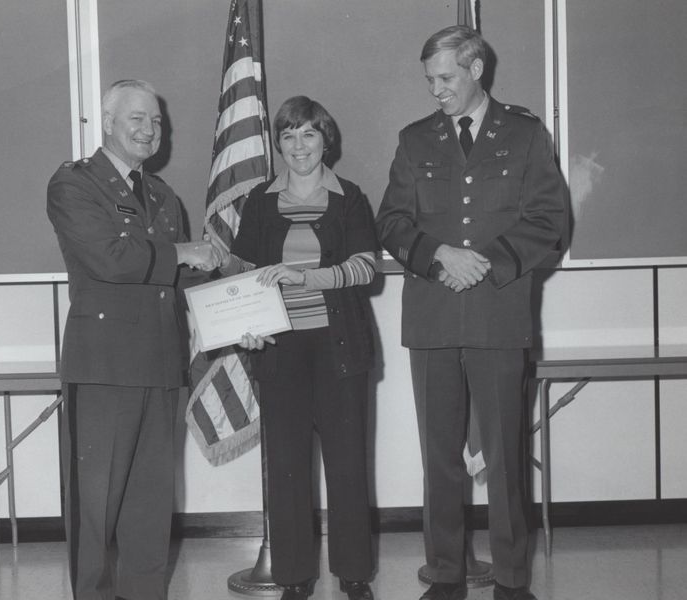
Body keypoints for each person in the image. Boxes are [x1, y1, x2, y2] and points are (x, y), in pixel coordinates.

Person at [376, 26, 567, 600]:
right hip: (433, 320)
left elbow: (549, 221)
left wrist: (483, 263)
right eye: (430, 79)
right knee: (439, 459)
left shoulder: (526, 133)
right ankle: (445, 575)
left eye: (447, 78)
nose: (436, 89)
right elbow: (391, 222)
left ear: (476, 68)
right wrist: (438, 256)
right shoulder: (414, 140)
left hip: (499, 315)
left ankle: (511, 579)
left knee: (506, 458)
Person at [47, 79, 219, 600]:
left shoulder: (164, 196)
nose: (149, 130)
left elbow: (183, 283)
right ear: (107, 123)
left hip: (162, 366)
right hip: (104, 369)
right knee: (94, 512)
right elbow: (111, 259)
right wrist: (186, 253)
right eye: (136, 119)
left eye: (156, 121)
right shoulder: (76, 184)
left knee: (149, 511)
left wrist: (235, 313)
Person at [218, 96, 378, 600]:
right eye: (287, 135)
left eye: (308, 134)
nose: (298, 145)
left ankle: (353, 574)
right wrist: (240, 311)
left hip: (341, 348)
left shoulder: (350, 197)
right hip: (280, 352)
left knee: (348, 464)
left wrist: (304, 277)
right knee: (285, 468)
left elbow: (365, 267)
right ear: (278, 144)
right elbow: (241, 269)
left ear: (325, 139)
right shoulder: (261, 202)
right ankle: (293, 577)